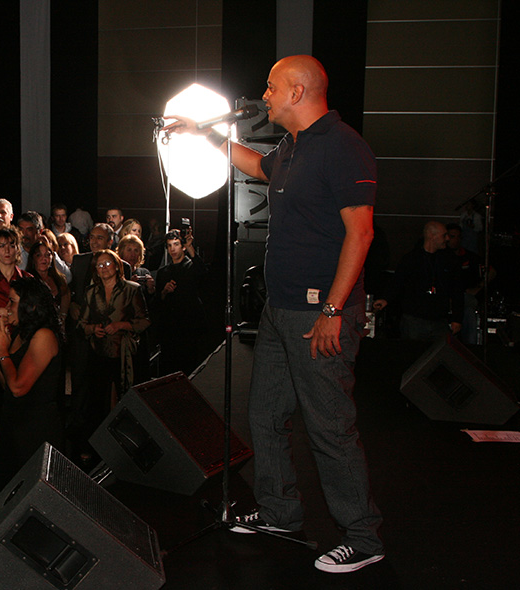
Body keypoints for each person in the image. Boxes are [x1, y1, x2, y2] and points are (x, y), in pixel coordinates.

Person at [164, 54, 383, 573]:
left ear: (298, 92)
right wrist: (204, 133)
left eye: (271, 87)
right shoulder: (292, 146)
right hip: (279, 311)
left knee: (329, 429)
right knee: (264, 415)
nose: (264, 96)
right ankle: (281, 512)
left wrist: (333, 310)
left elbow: (361, 233)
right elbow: (257, 166)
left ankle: (363, 537)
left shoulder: (342, 146)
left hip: (318, 314)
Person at [0, 277, 64, 494]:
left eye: (12, 301)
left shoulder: (44, 336)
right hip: (13, 426)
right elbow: (6, 384)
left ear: (31, 306)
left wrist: (3, 350)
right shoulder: (21, 333)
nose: (7, 307)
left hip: (34, 432)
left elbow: (18, 388)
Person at [76, 250, 149, 442]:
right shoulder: (91, 292)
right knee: (97, 402)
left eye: (107, 263)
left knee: (123, 399)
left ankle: (126, 441)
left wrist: (121, 325)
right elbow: (81, 324)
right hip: (98, 354)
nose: (104, 268)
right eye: (99, 265)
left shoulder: (132, 290)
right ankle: (99, 443)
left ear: (117, 265)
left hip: (124, 355)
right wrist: (93, 329)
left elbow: (144, 322)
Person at [373, 221, 463, 341]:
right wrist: (385, 298)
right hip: (414, 319)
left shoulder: (449, 260)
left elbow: (457, 290)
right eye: (444, 235)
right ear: (432, 235)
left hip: (440, 320)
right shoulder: (411, 259)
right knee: (413, 350)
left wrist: (457, 318)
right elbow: (397, 282)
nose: (447, 239)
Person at [155, 229, 207, 376]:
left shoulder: (191, 267)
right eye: (170, 245)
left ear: (182, 246)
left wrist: (190, 248)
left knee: (188, 367)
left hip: (189, 326)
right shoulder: (163, 272)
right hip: (170, 328)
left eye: (176, 244)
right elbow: (158, 301)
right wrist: (164, 291)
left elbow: (203, 273)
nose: (173, 249)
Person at [26, 240, 70, 320]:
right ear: (33, 258)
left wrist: (63, 316)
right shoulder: (27, 281)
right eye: (39, 255)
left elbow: (65, 295)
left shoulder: (59, 279)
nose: (44, 259)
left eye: (47, 255)